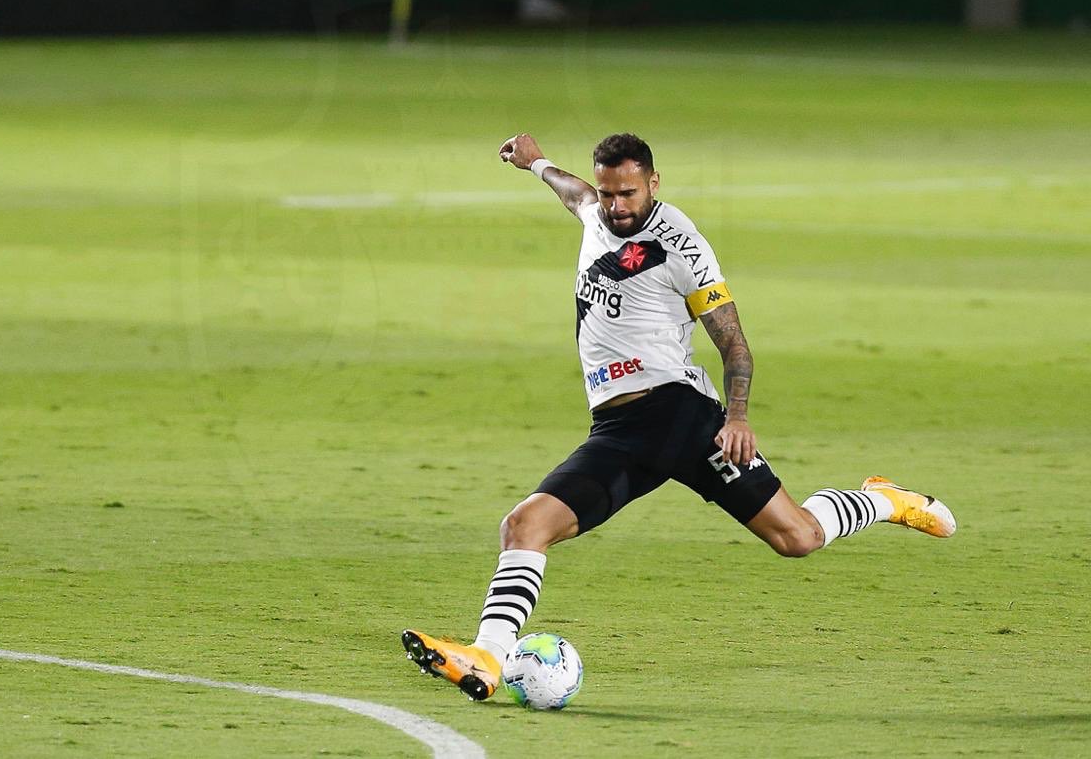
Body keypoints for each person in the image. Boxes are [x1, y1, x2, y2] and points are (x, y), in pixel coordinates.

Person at [401, 132, 956, 701]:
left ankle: (888, 500)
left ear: (654, 184)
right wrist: (536, 162)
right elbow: (575, 195)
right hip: (620, 430)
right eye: (610, 192)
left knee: (796, 540)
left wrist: (737, 417)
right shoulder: (598, 212)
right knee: (527, 527)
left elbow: (735, 345)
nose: (618, 206)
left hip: (682, 416)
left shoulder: (681, 247)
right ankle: (487, 659)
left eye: (629, 194)